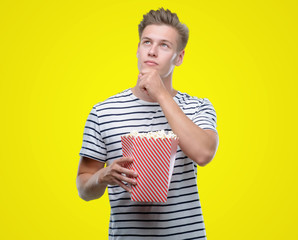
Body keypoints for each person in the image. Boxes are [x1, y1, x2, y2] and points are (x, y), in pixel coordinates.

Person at [76, 7, 219, 240]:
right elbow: (84, 189)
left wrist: (161, 94)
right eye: (147, 42)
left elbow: (204, 154)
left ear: (179, 57)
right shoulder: (103, 111)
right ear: (137, 49)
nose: (152, 51)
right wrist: (102, 177)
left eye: (164, 45)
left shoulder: (197, 107)